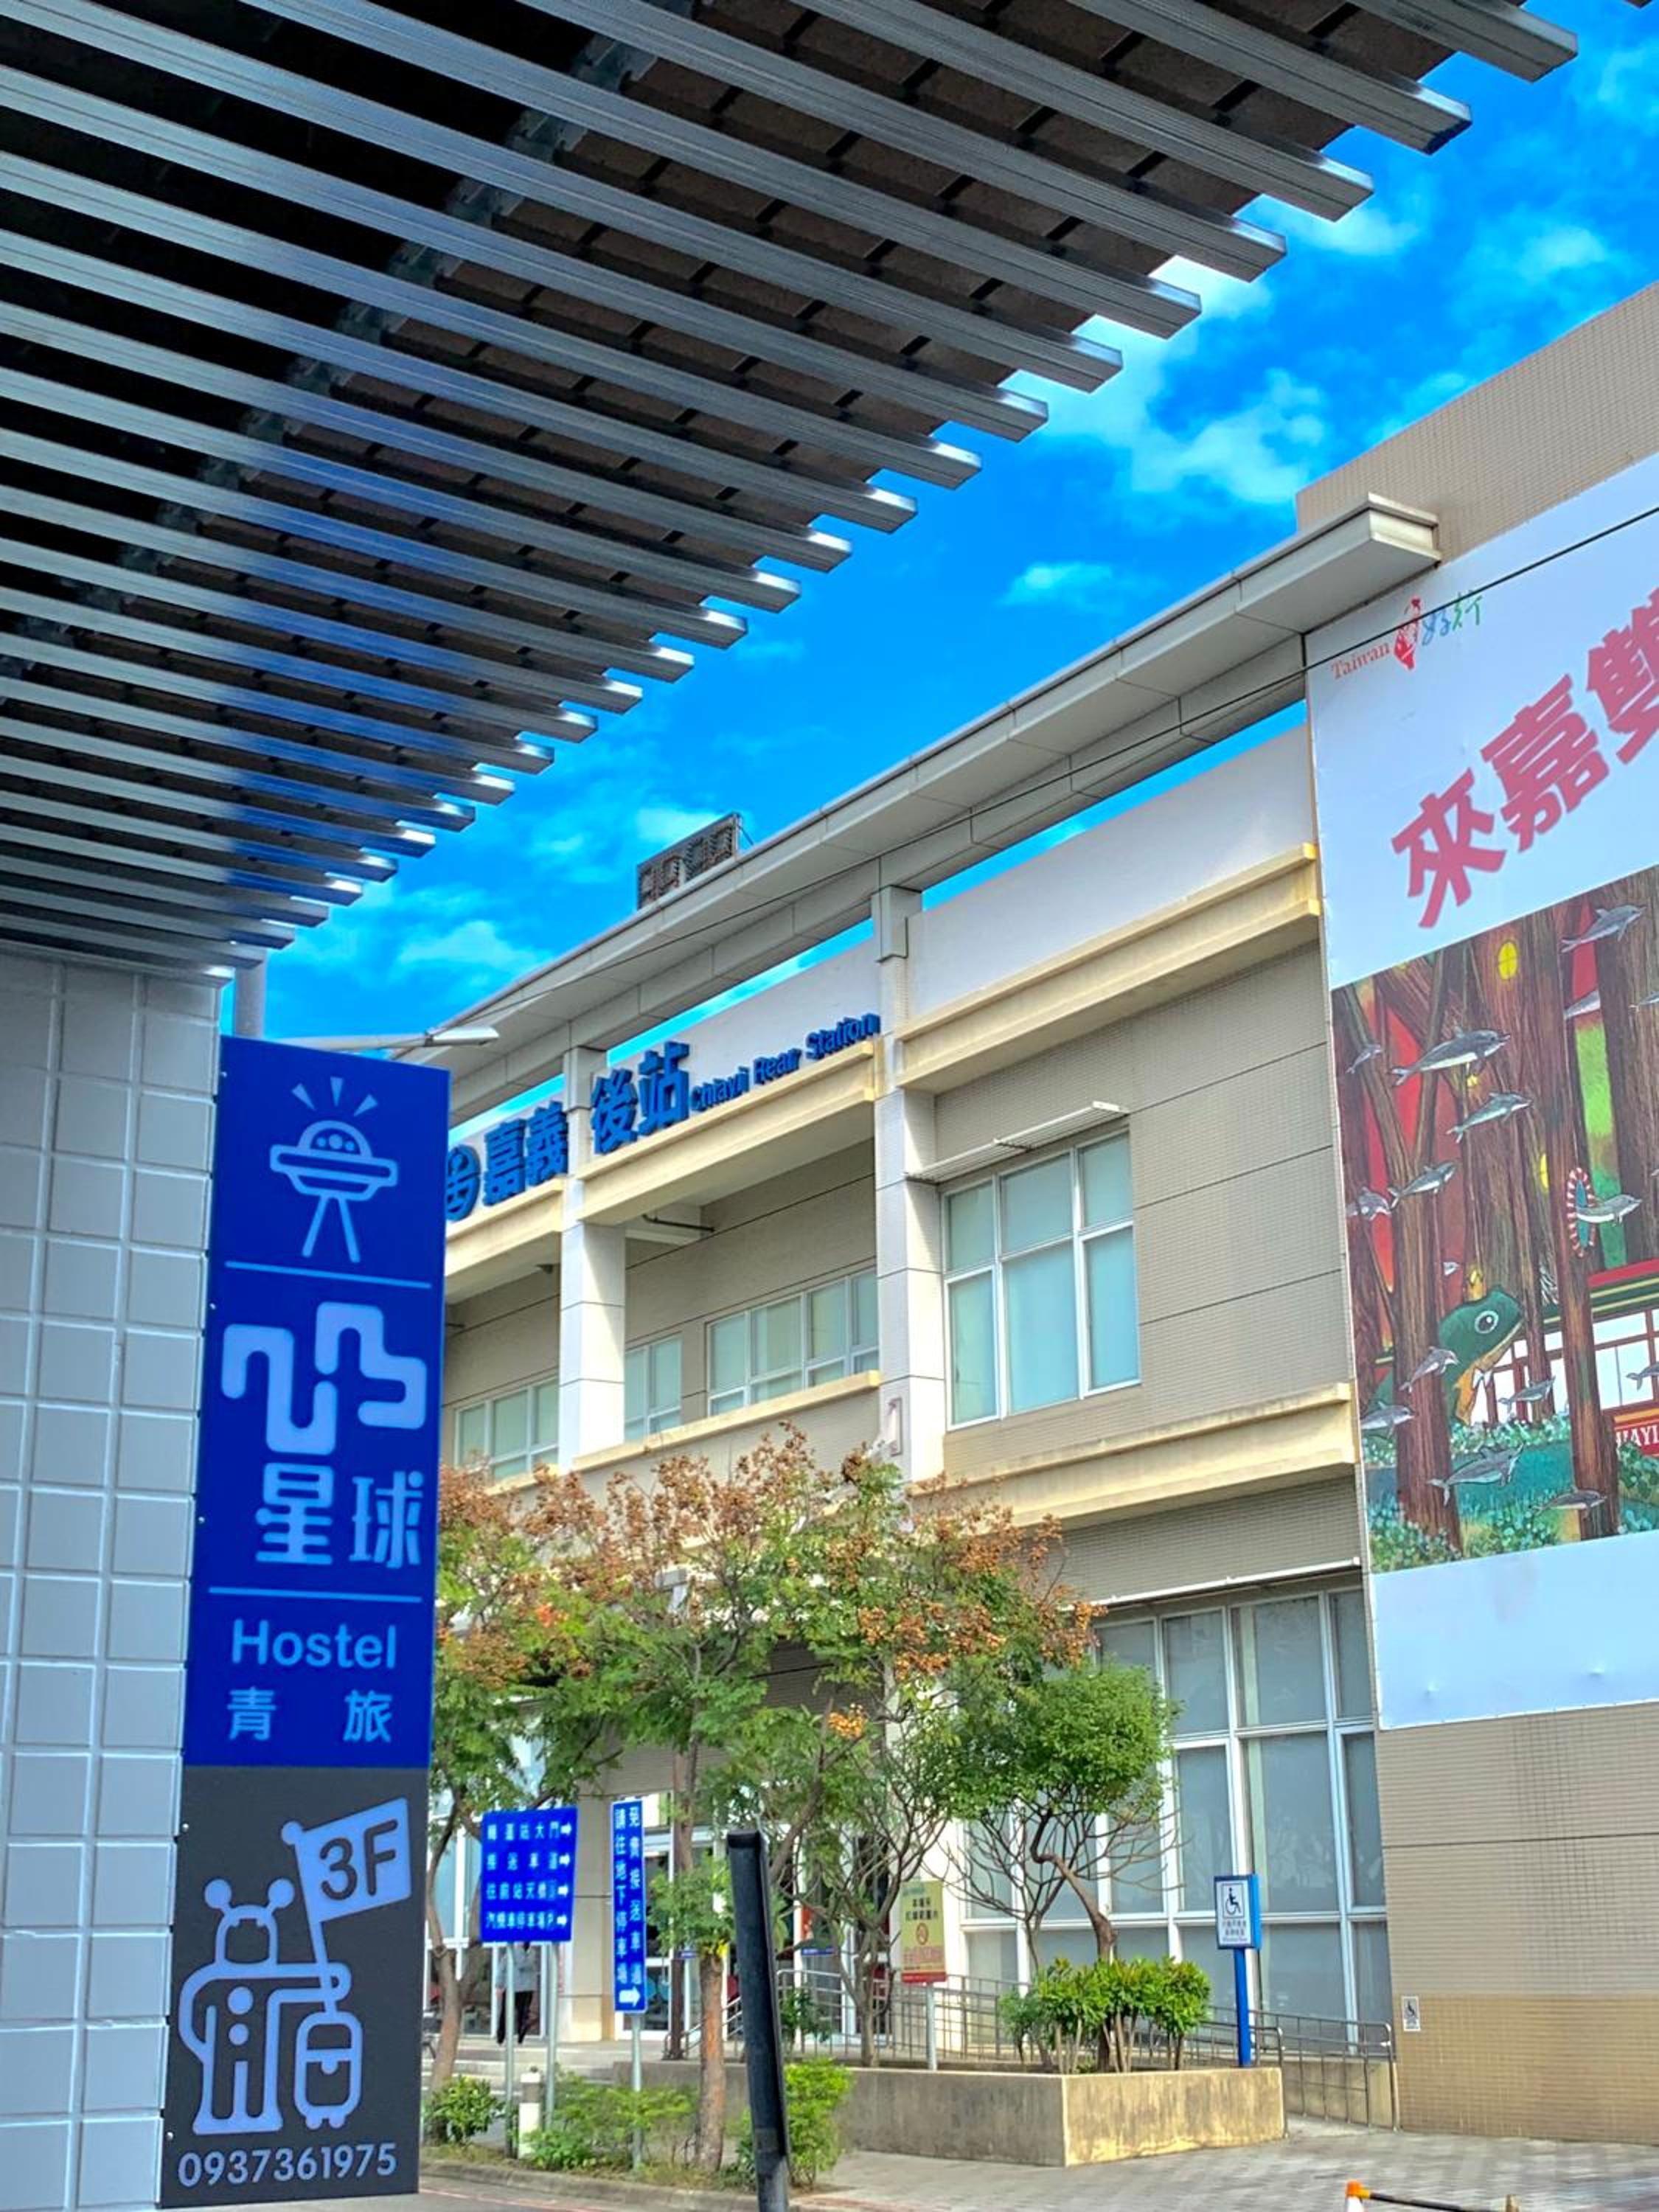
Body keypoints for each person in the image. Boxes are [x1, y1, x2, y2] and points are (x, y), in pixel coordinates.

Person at [494, 1944, 538, 2043]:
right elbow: (502, 1969)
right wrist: (499, 1985)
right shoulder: (511, 1952)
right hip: (512, 1987)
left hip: (526, 1988)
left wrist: (520, 1950)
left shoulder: (531, 1953)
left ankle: (520, 2036)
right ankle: (501, 2036)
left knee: (522, 2014)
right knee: (506, 2013)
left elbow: (523, 1964)